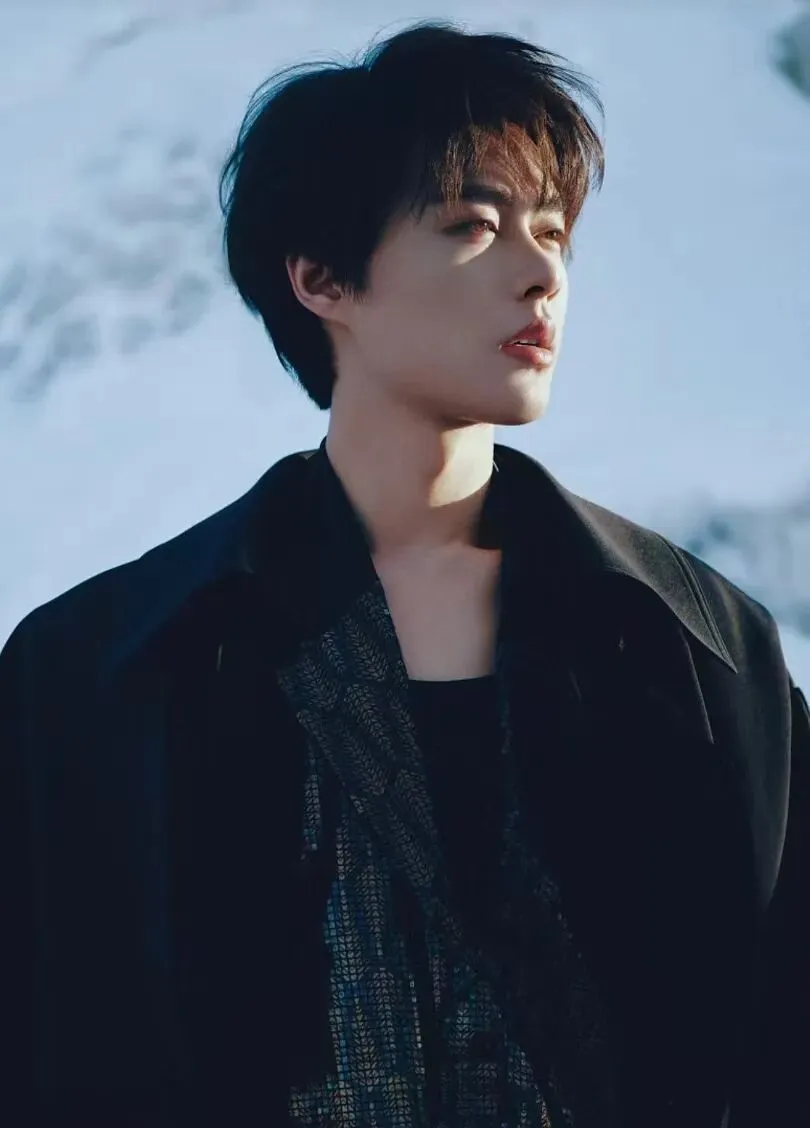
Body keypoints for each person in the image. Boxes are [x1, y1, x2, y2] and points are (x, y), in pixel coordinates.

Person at [1, 19, 807, 1128]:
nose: (542, 275)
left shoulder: (699, 647)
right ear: (322, 277)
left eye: (554, 232)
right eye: (474, 225)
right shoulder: (96, 675)